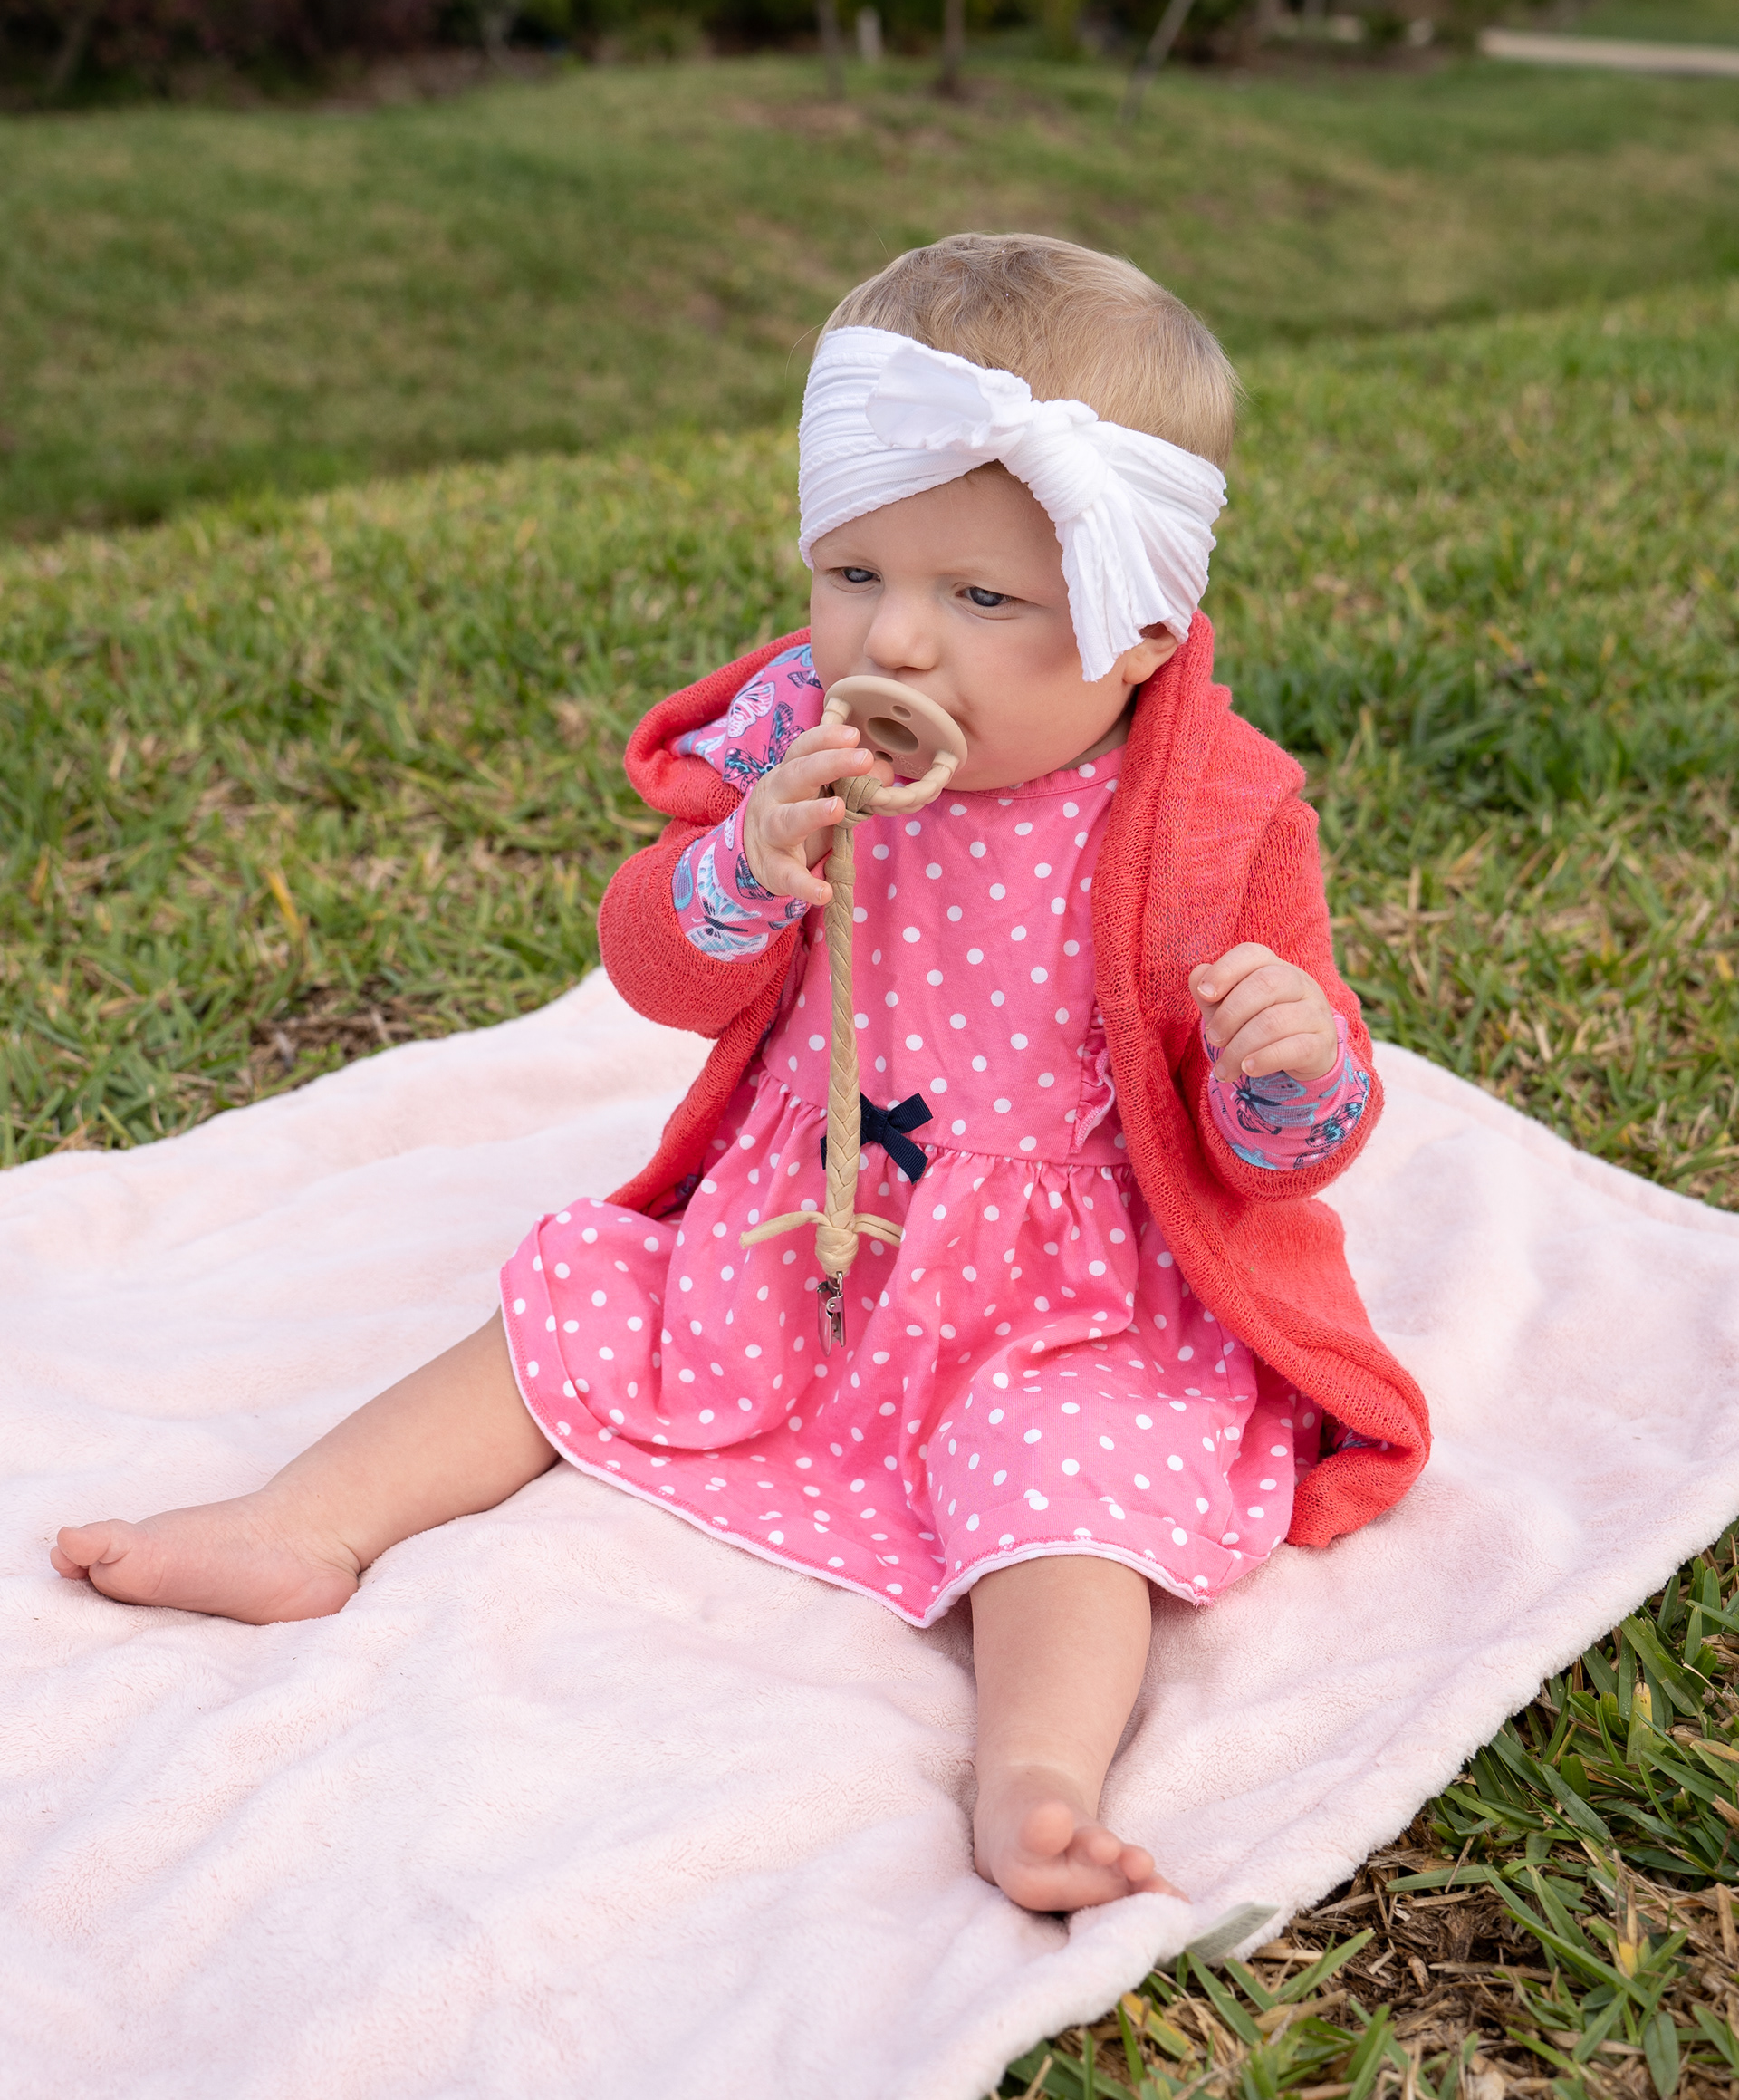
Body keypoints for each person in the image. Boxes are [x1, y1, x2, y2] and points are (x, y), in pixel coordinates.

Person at [51, 233, 1427, 1915]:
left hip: (1064, 1294)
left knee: (1078, 1477)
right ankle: (303, 1520)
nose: (895, 638)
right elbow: (656, 970)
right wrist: (742, 871)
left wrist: (1288, 1063)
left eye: (982, 598)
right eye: (853, 571)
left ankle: (1037, 1776)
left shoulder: (1214, 817)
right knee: (582, 1299)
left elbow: (1281, 1155)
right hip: (804, 1234)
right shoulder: (797, 746)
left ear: (1140, 626)